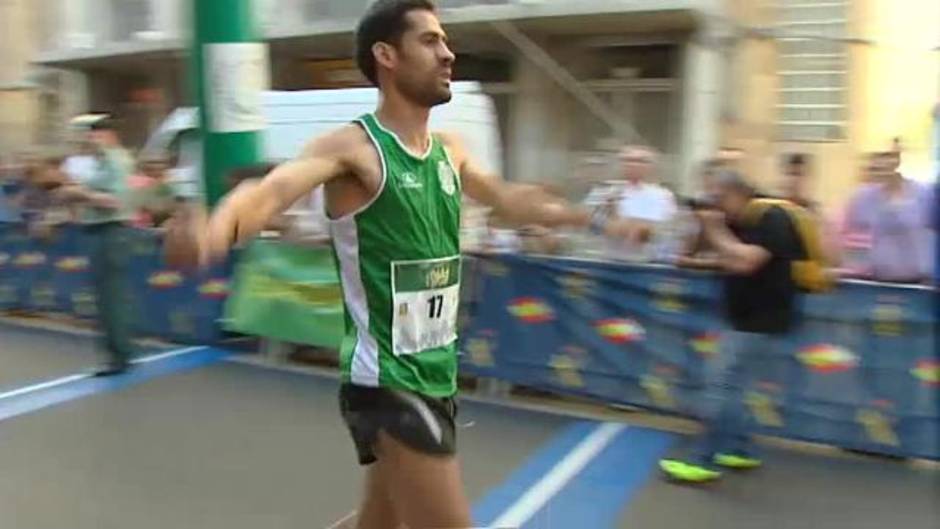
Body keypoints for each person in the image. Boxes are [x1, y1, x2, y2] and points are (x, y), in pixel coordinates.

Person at [164, 2, 586, 527]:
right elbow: (270, 191)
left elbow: (506, 199)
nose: (448, 53)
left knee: (377, 524)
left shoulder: (450, 150)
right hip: (388, 381)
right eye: (430, 41)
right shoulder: (355, 149)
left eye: (445, 40)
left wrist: (571, 211)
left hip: (436, 372)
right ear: (387, 56)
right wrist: (216, 230)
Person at [660, 170, 805, 483]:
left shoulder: (772, 217)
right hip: (741, 317)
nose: (716, 204)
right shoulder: (736, 221)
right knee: (732, 388)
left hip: (762, 320)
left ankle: (703, 459)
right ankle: (739, 449)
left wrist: (714, 229)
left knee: (719, 386)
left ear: (737, 193)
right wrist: (701, 226)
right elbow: (704, 257)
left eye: (719, 196)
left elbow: (747, 261)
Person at [57, 116, 137, 376]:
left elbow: (114, 201)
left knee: (110, 298)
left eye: (95, 135)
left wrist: (81, 194)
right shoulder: (102, 163)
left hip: (110, 232)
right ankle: (118, 352)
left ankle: (119, 356)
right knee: (106, 298)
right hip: (99, 231)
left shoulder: (117, 161)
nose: (91, 141)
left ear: (109, 135)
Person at [843, 151, 934, 283]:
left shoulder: (924, 194)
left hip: (920, 280)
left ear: (897, 162)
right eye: (876, 165)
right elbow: (850, 239)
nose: (882, 167)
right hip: (877, 279)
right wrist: (855, 271)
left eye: (888, 158)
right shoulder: (863, 198)